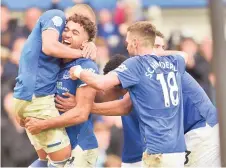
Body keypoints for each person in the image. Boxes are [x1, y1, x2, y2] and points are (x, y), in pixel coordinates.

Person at [90, 31, 220, 167]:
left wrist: (88, 106)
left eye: (160, 47)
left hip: (201, 128)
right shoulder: (146, 71)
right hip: (190, 134)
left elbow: (124, 106)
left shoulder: (143, 77)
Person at [69, 21, 188, 167]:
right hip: (178, 148)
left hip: (157, 149)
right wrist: (156, 54)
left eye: (128, 42)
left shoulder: (136, 64)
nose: (126, 46)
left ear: (135, 43)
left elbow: (101, 83)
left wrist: (78, 71)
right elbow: (184, 55)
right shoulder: (173, 61)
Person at [13, 4, 97, 167]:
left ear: (86, 39)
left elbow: (81, 113)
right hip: (57, 143)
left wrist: (42, 124)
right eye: (67, 27)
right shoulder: (54, 63)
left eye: (76, 31)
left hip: (79, 147)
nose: (67, 33)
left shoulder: (86, 65)